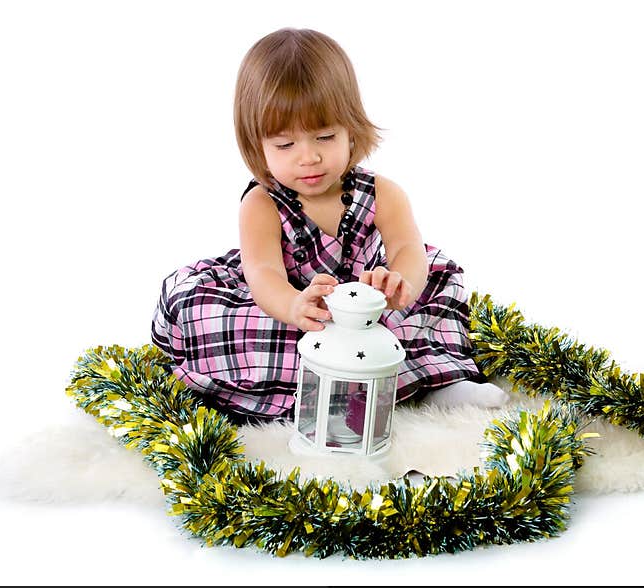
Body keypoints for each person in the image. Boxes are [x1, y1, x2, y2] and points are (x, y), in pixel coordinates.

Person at [151, 27, 508, 423]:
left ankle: (434, 381)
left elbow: (408, 249)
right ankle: (305, 393)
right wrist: (293, 305)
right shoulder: (261, 204)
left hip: (373, 311)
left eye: (324, 136)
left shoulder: (383, 193)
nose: (309, 158)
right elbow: (263, 272)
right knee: (214, 313)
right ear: (257, 146)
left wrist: (398, 283)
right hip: (298, 312)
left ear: (351, 129)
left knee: (438, 278)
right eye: (285, 145)